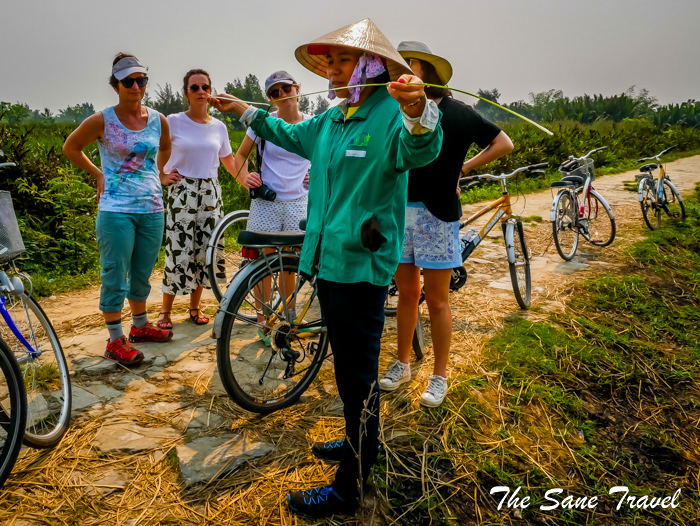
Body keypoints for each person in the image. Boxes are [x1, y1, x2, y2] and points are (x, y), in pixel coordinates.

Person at [209, 18, 443, 519]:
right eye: (330, 62)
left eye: (341, 61)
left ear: (370, 66)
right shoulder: (336, 118)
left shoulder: (390, 115)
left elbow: (421, 147)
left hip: (361, 264)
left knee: (357, 378)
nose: (331, 69)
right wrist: (245, 110)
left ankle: (348, 489)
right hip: (327, 260)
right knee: (346, 369)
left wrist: (419, 110)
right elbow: (288, 132)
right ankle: (359, 443)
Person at [379, 41, 514, 407]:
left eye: (407, 63)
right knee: (406, 293)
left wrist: (464, 167)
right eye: (393, 64)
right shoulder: (393, 110)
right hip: (398, 209)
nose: (398, 69)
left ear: (427, 70)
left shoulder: (458, 111)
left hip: (437, 213)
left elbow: (504, 142)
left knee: (437, 299)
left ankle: (439, 376)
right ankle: (402, 363)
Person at [63, 53, 174, 366]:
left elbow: (164, 147)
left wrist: (161, 174)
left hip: (152, 208)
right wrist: (98, 173)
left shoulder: (158, 120)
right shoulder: (102, 120)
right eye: (129, 81)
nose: (136, 86)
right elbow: (70, 147)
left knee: (141, 273)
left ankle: (139, 328)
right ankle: (114, 340)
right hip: (116, 210)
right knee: (115, 274)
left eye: (141, 80)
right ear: (116, 86)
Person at [232, 70, 312, 344]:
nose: (282, 96)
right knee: (263, 263)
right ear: (270, 99)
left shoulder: (311, 125)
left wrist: (316, 171)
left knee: (289, 264)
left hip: (299, 201)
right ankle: (264, 320)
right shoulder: (263, 124)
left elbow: (328, 157)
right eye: (274, 93)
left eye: (286, 89)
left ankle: (288, 318)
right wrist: (245, 178)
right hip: (266, 202)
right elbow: (239, 155)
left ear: (297, 89)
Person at [157, 69, 238, 329]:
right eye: (195, 88)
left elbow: (231, 163)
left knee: (206, 251)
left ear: (211, 91)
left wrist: (249, 182)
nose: (201, 91)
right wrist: (160, 175)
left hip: (211, 193)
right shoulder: (173, 121)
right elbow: (156, 149)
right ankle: (165, 311)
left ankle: (195, 307)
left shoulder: (219, 127)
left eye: (205, 87)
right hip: (183, 190)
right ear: (186, 94)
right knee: (179, 250)